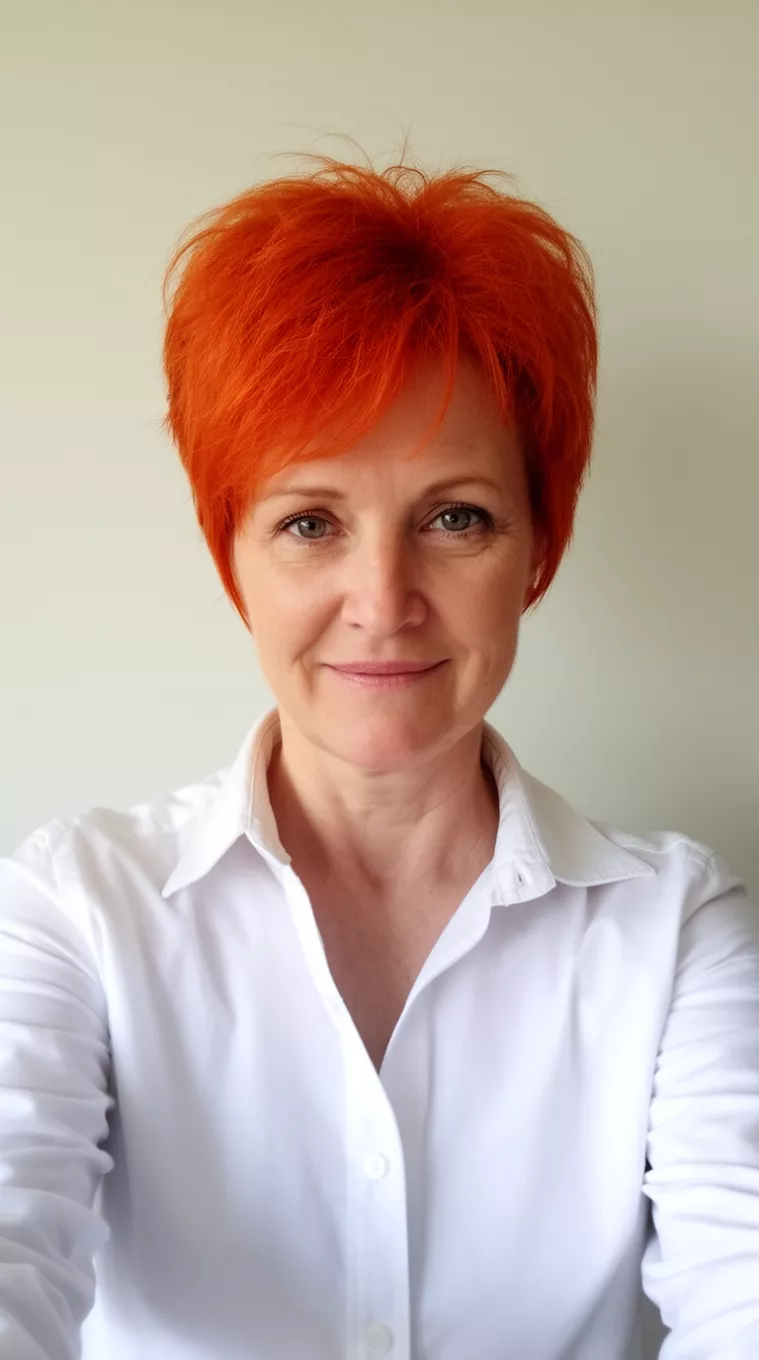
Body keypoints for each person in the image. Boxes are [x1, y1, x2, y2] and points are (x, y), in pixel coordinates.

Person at [1, 151, 757, 1360]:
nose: (382, 599)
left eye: (456, 517)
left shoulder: (676, 931)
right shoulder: (74, 910)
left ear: (538, 549)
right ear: (231, 557)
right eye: (310, 522)